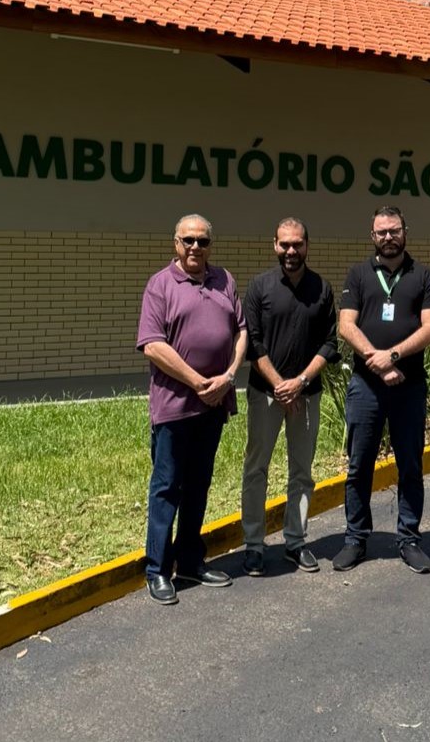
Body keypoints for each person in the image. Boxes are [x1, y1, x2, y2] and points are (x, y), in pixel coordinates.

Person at [136, 214, 247, 605]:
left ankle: (189, 561)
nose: (195, 247)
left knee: (199, 484)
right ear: (176, 243)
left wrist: (228, 377)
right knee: (167, 486)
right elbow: (153, 345)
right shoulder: (160, 285)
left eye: (203, 241)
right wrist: (199, 382)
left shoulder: (225, 280)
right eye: (188, 240)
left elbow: (241, 331)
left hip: (213, 405)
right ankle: (157, 569)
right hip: (175, 407)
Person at [336, 205, 430, 573]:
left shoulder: (423, 275)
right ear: (372, 235)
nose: (388, 237)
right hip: (365, 387)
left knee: (410, 464)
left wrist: (392, 355)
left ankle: (409, 538)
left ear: (405, 231)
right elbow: (345, 325)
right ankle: (355, 538)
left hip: (409, 387)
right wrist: (377, 362)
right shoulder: (359, 274)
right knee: (358, 464)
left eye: (394, 230)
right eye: (381, 232)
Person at [240, 217, 339, 576]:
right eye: (284, 244)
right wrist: (281, 385)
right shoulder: (259, 287)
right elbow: (252, 342)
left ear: (307, 245)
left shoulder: (322, 288)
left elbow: (330, 342)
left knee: (302, 471)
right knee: (256, 468)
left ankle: (295, 541)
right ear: (275, 245)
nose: (291, 251)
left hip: (306, 394)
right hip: (265, 394)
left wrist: (299, 382)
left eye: (297, 244)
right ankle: (254, 544)